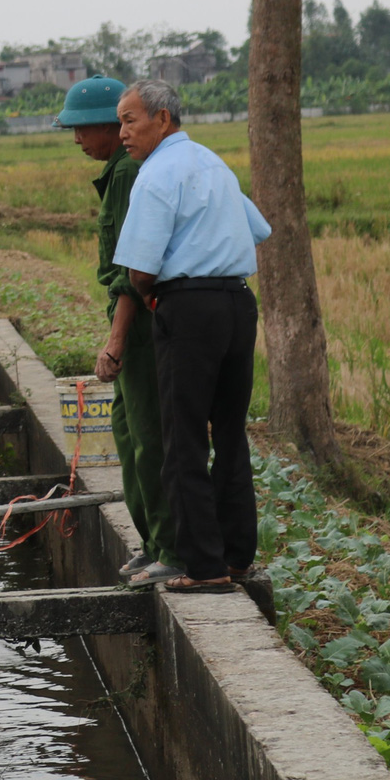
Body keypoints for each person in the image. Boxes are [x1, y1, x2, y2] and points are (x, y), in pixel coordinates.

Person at [112, 79, 271, 595]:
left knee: (181, 437)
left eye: (129, 120)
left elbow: (139, 269)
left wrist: (156, 298)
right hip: (236, 303)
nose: (122, 133)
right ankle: (237, 556)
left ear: (162, 118)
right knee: (228, 432)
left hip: (188, 307)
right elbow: (259, 229)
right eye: (120, 122)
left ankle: (204, 567)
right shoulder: (212, 163)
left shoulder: (155, 174)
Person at [57, 76, 178, 586]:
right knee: (129, 433)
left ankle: (170, 546)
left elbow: (134, 270)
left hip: (144, 323)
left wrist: (116, 340)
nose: (77, 139)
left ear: (111, 125)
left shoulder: (129, 172)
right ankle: (152, 541)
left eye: (83, 129)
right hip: (132, 318)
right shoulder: (118, 171)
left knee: (150, 436)